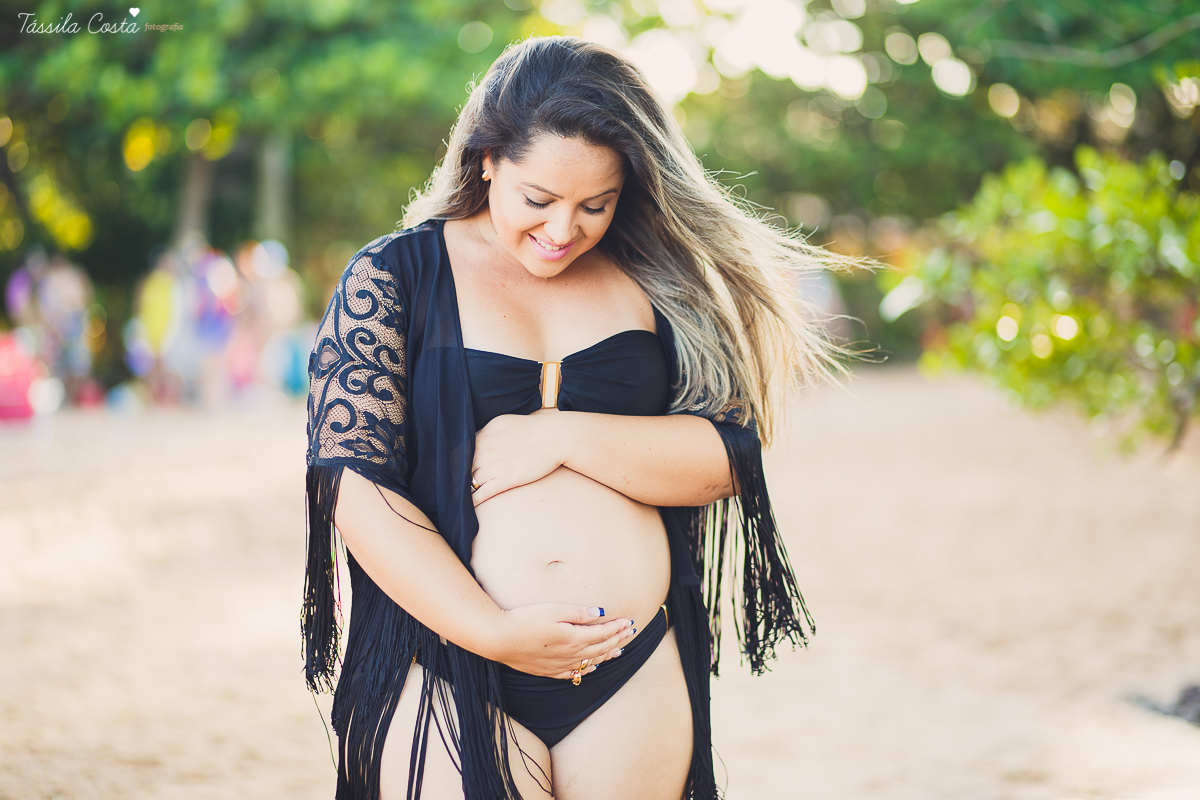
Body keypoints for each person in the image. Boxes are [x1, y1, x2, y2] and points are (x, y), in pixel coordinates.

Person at [303, 35, 847, 800]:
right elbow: (352, 484)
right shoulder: (393, 277)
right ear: (487, 157)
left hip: (629, 666)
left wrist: (559, 435)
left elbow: (728, 458)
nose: (564, 230)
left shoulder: (659, 282)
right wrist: (492, 632)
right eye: (539, 200)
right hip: (449, 655)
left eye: (597, 204)